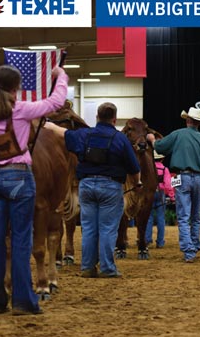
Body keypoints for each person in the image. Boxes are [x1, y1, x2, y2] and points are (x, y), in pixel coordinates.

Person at [0, 64, 68, 315]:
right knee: (21, 238)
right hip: (18, 177)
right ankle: (23, 302)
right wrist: (61, 76)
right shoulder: (21, 110)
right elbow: (55, 101)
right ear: (16, 88)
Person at [44, 102, 142, 279]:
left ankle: (87, 267)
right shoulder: (120, 139)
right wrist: (137, 183)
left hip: (86, 186)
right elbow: (134, 168)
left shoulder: (85, 134)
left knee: (89, 228)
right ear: (114, 119)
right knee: (107, 228)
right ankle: (107, 268)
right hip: (111, 188)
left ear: (97, 117)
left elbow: (63, 133)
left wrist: (47, 124)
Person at [148, 107, 200, 263]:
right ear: (199, 123)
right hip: (199, 179)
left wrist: (152, 139)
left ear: (187, 120)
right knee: (195, 217)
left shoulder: (178, 134)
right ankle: (194, 245)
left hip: (183, 176)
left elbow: (159, 147)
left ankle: (189, 251)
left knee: (183, 217)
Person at [145, 151, 175, 249]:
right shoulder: (164, 169)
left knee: (148, 218)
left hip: (149, 192)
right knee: (161, 218)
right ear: (162, 159)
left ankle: (147, 240)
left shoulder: (148, 168)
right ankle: (160, 242)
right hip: (160, 193)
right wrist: (171, 196)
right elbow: (167, 184)